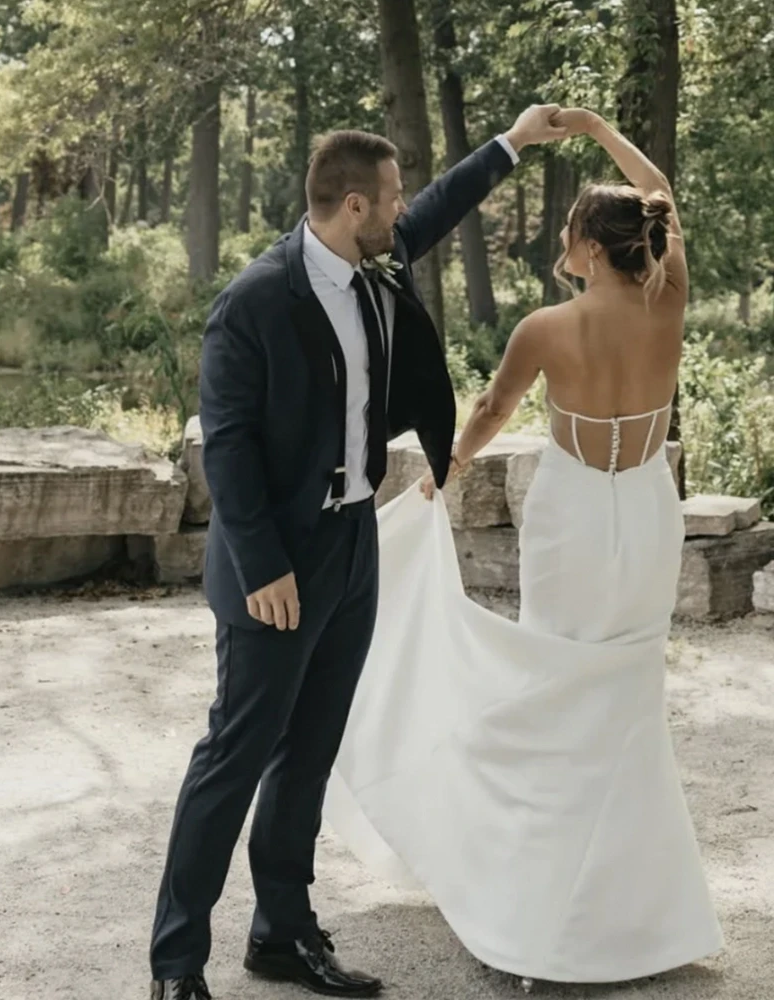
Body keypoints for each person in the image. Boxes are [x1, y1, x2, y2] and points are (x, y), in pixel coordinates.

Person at [148, 106, 569, 1000]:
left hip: (352, 542)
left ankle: (282, 934)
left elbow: (439, 206)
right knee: (235, 754)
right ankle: (176, 965)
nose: (402, 209)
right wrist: (263, 566)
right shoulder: (255, 301)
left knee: (310, 750)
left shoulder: (376, 261)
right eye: (391, 197)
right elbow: (227, 446)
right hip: (277, 565)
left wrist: (514, 142)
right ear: (352, 207)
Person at [323, 108, 724, 990]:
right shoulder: (667, 299)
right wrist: (599, 129)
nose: (561, 242)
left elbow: (492, 410)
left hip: (572, 516)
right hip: (647, 510)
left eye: (570, 230)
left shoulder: (545, 327)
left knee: (555, 687)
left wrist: (446, 471)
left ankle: (541, 905)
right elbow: (660, 190)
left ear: (591, 248)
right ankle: (640, 918)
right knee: (626, 697)